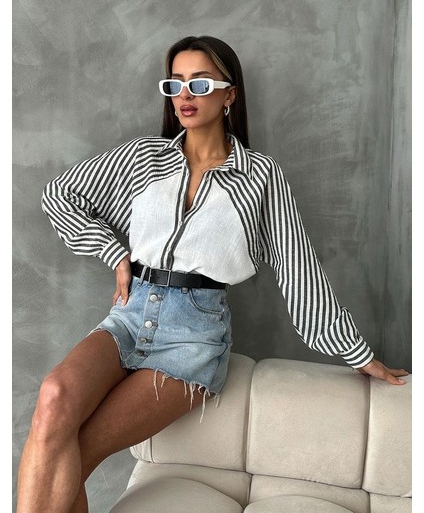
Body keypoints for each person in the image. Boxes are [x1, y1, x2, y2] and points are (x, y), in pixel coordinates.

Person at [17, 35, 408, 513]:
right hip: (129, 313)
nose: (185, 95)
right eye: (175, 83)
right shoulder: (143, 158)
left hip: (194, 333)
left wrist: (359, 355)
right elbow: (59, 195)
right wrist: (115, 254)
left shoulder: (260, 176)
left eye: (200, 83)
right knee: (54, 396)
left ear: (229, 94)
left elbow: (299, 269)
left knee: (77, 450)